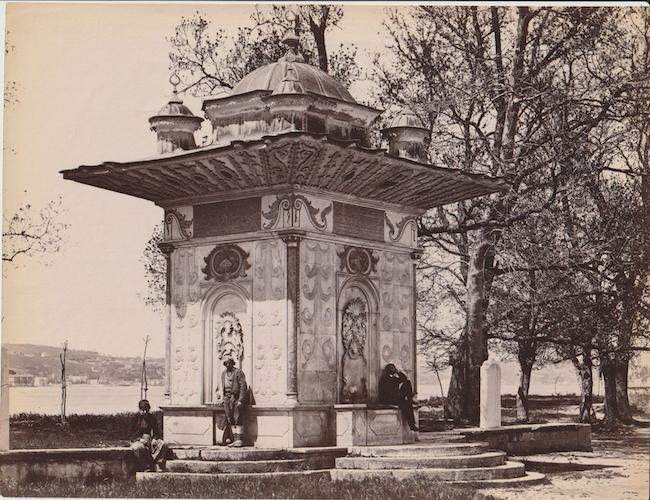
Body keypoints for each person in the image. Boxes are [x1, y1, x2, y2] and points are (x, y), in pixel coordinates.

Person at [130, 399, 169, 471]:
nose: (145, 412)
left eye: (147, 410)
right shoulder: (135, 418)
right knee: (137, 448)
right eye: (143, 410)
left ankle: (158, 464)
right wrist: (139, 439)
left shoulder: (151, 417)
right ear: (139, 409)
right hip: (138, 440)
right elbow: (131, 433)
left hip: (149, 439)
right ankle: (146, 466)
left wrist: (155, 439)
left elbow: (156, 431)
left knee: (163, 444)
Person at [378, 363, 419, 431]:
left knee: (407, 382)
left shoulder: (393, 378)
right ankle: (411, 424)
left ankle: (410, 398)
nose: (393, 369)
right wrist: (397, 395)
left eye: (393, 368)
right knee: (407, 404)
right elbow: (386, 392)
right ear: (387, 370)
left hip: (396, 397)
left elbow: (404, 379)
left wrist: (398, 372)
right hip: (388, 399)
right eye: (391, 368)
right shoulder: (384, 379)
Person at [220, 357, 248, 447]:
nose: (227, 364)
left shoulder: (238, 372)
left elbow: (243, 386)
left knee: (237, 418)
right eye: (225, 363)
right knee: (230, 418)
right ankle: (235, 440)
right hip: (226, 398)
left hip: (235, 398)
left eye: (229, 362)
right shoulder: (223, 373)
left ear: (232, 363)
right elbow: (222, 387)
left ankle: (239, 440)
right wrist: (222, 398)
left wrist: (241, 400)